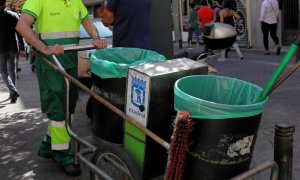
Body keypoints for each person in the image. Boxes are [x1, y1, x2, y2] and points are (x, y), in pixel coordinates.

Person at [16, 0, 107, 176]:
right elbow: (22, 26)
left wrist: (96, 38)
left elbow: (88, 24)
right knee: (59, 110)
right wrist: (44, 47)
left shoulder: (75, 2)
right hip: (51, 65)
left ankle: (49, 144)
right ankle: (63, 155)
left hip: (69, 62)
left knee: (68, 106)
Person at [0, 0, 25, 103]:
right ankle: (12, 92)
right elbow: (20, 33)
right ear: (5, 3)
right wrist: (22, 47)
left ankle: (13, 91)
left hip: (1, 49)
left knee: (3, 71)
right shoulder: (14, 15)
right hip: (13, 47)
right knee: (12, 69)